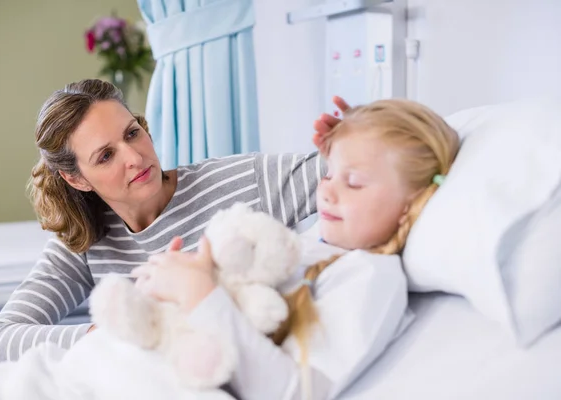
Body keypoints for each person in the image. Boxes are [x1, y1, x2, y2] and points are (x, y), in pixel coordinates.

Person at [0, 79, 344, 366]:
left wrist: (353, 137)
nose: (135, 157)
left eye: (132, 133)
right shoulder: (85, 241)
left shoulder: (245, 181)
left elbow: (348, 169)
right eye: (106, 156)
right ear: (77, 179)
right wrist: (114, 331)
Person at [128, 98, 461, 399]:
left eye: (355, 182)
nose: (327, 192)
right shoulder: (314, 242)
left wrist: (198, 294)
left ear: (412, 201)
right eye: (329, 174)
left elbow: (292, 391)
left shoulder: (370, 278)